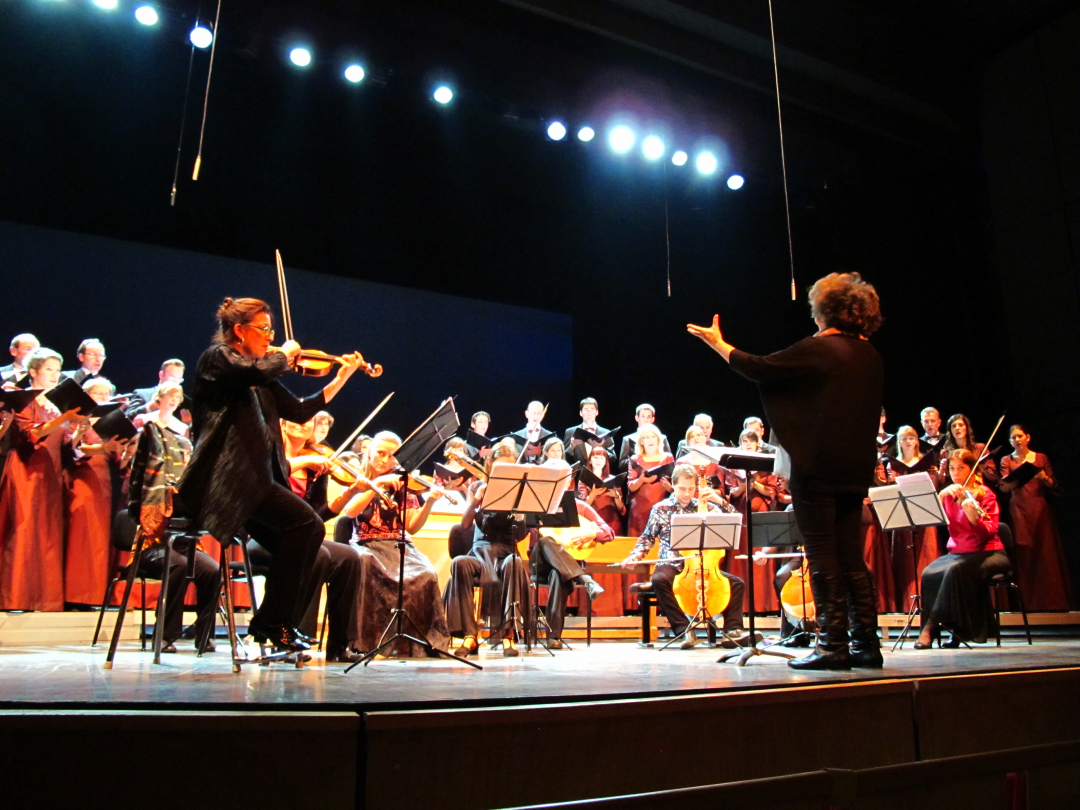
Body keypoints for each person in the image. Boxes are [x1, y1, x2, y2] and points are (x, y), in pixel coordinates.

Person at [689, 271, 885, 670]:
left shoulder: (821, 349)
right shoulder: (870, 355)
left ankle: (832, 646)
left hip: (817, 470)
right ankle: (866, 643)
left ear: (825, 310)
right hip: (854, 471)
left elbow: (760, 368)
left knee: (823, 555)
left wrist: (718, 343)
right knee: (850, 557)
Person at [177, 297, 366, 653]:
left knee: (309, 546)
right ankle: (271, 623)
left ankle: (274, 625)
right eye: (263, 330)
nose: (270, 337)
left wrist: (342, 377)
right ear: (239, 330)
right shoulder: (218, 360)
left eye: (271, 331)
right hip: (229, 482)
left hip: (254, 482)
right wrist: (286, 354)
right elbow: (257, 370)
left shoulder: (257, 372)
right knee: (308, 525)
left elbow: (297, 410)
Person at [126, 383, 220, 652]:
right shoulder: (150, 432)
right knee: (176, 565)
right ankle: (166, 635)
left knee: (212, 570)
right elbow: (143, 485)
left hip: (184, 544)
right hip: (152, 545)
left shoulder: (185, 443)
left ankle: (204, 635)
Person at [341, 430, 450, 657]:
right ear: (369, 453)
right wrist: (378, 483)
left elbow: (411, 526)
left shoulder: (402, 484)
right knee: (367, 565)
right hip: (366, 543)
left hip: (398, 544)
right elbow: (350, 511)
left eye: (391, 456)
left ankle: (415, 644)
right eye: (380, 453)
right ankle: (369, 643)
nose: (385, 460)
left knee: (427, 573)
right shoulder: (358, 478)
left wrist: (428, 502)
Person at [623, 464, 751, 649]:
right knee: (659, 580)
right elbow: (647, 537)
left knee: (736, 583)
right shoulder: (660, 508)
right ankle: (684, 630)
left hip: (703, 563)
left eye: (691, 489)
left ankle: (733, 631)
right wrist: (635, 556)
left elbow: (736, 520)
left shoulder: (704, 507)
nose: (686, 493)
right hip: (672, 563)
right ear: (673, 485)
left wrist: (720, 500)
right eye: (682, 488)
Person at [0, 349, 82, 610]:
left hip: (50, 473)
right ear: (33, 372)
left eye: (57, 371)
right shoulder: (25, 400)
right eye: (48, 369)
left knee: (46, 533)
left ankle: (43, 598)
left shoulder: (55, 405)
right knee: (23, 531)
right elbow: (31, 435)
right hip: (25, 471)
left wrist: (79, 428)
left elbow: (67, 444)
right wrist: (64, 419)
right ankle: (16, 597)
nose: (53, 375)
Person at [444, 439, 531, 657]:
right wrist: (476, 502)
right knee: (459, 563)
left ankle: (508, 636)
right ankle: (470, 635)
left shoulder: (520, 491)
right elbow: (464, 524)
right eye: (501, 467)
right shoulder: (476, 486)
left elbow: (520, 536)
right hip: (480, 551)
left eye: (510, 467)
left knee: (515, 563)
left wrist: (520, 517)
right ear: (491, 465)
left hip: (506, 553)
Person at [916, 450, 1010, 647]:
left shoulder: (985, 494)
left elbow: (990, 533)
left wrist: (974, 519)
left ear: (971, 470)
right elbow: (928, 520)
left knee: (954, 571)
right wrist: (939, 498)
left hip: (989, 551)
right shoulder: (949, 495)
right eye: (952, 468)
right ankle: (956, 628)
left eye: (961, 468)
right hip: (959, 552)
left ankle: (931, 628)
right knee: (928, 572)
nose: (956, 473)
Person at [64, 377, 126, 608]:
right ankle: (74, 594)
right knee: (81, 536)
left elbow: (118, 461)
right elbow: (71, 448)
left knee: (98, 539)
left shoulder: (109, 422)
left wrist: (126, 451)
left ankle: (93, 595)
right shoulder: (79, 418)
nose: (101, 397)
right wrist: (98, 445)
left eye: (105, 393)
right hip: (81, 478)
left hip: (103, 483)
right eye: (96, 393)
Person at [999, 424, 1073, 610]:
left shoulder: (1040, 458)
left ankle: (1053, 602)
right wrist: (1012, 481)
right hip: (1019, 510)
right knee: (1025, 554)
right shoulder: (1007, 460)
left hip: (1040, 508)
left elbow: (1055, 486)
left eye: (1020, 436)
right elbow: (1003, 488)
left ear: (1028, 437)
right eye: (1013, 437)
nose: (1017, 439)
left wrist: (1044, 478)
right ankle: (1029, 604)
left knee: (1046, 553)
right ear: (1010, 441)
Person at [529, 496, 609, 648]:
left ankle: (553, 637)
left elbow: (608, 532)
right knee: (546, 540)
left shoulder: (580, 506)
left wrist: (592, 534)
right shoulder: (539, 503)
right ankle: (585, 580)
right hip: (539, 563)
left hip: (565, 567)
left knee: (558, 574)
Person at [626, 424, 674, 536]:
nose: (650, 440)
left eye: (653, 436)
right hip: (640, 508)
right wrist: (642, 480)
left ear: (658, 439)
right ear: (641, 441)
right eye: (646, 437)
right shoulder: (635, 459)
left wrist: (670, 487)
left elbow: (675, 485)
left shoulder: (668, 457)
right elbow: (631, 486)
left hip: (662, 506)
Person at [563, 397, 616, 465]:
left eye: (592, 410)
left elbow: (613, 459)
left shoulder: (605, 432)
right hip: (578, 474)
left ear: (597, 412)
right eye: (586, 410)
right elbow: (563, 459)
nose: (589, 413)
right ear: (581, 413)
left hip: (599, 474)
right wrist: (571, 448)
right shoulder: (570, 432)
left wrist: (600, 449)